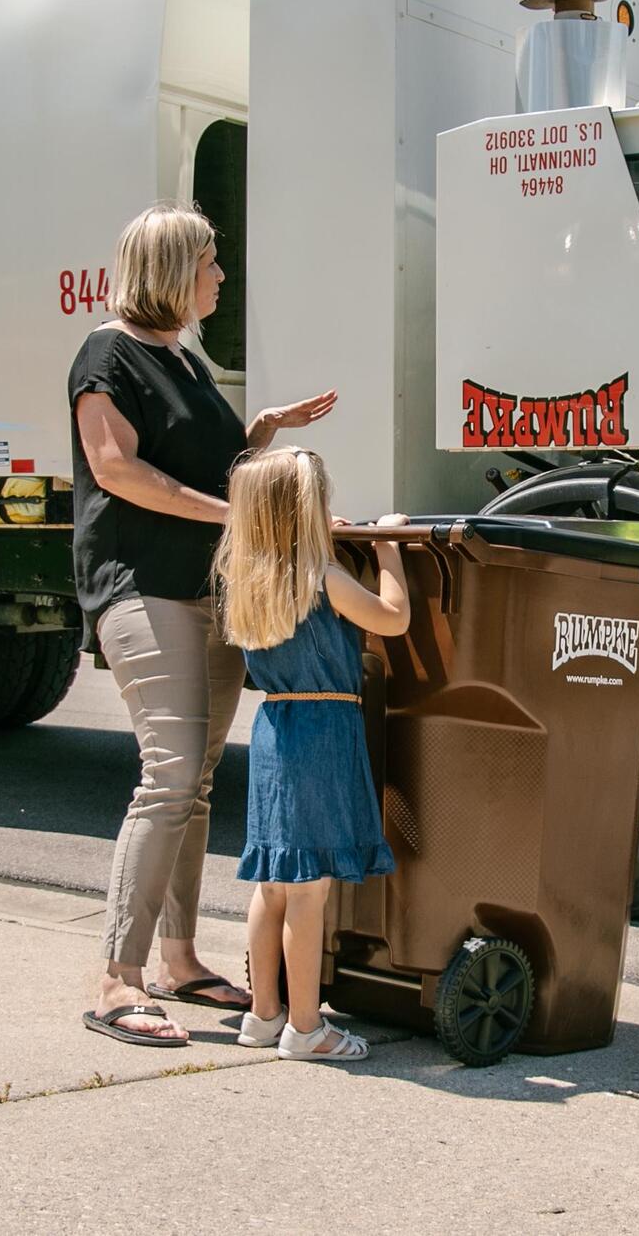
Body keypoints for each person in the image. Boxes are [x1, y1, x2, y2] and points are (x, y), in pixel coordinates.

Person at [76, 202, 340, 1048]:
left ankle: (179, 960)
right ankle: (117, 978)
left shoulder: (183, 360)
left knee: (195, 784)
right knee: (169, 774)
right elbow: (117, 470)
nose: (221, 275)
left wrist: (264, 431)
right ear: (170, 269)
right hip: (140, 587)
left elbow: (213, 465)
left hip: (207, 593)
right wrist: (232, 514)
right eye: (209, 262)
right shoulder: (107, 354)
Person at [212, 448, 410, 1063]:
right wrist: (388, 547)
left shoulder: (252, 580)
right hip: (323, 732)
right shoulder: (322, 578)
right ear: (303, 512)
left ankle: (263, 1015)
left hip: (276, 727)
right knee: (308, 890)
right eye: (321, 502)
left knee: (273, 884)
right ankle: (306, 1029)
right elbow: (393, 619)